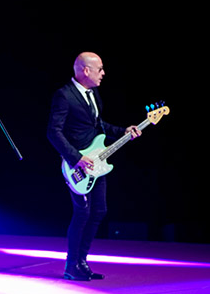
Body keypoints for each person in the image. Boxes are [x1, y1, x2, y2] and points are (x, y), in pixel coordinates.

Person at [46, 52, 141, 281]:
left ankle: (82, 262)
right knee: (82, 212)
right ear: (86, 70)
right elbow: (53, 132)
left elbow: (98, 126)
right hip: (77, 167)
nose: (103, 73)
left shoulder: (93, 94)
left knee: (99, 211)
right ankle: (71, 265)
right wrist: (76, 157)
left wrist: (123, 131)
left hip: (97, 162)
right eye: (100, 69)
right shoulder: (64, 95)